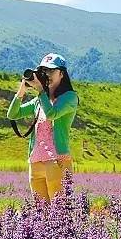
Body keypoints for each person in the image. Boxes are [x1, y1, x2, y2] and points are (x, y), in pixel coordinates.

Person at [7, 53, 79, 202]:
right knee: (40, 213)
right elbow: (12, 114)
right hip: (35, 161)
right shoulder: (39, 100)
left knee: (60, 212)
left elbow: (52, 113)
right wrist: (22, 89)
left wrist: (40, 91)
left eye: (51, 71)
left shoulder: (70, 97)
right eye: (44, 71)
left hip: (57, 160)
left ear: (62, 74)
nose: (47, 75)